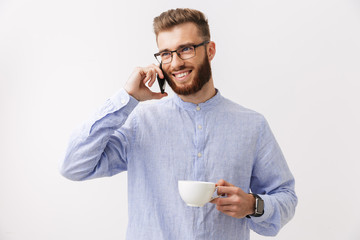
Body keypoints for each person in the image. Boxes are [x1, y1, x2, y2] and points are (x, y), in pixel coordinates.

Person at [60, 8, 297, 240]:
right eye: (166, 53)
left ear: (210, 50)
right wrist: (126, 97)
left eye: (186, 49)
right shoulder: (141, 123)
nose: (175, 63)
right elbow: (74, 165)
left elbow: (286, 197)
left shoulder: (252, 125)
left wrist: (253, 205)